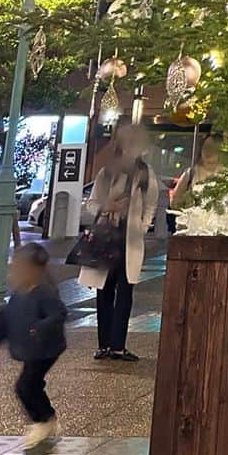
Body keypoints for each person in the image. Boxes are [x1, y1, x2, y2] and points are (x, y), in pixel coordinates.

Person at [0, 242, 67, 450]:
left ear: (34, 270)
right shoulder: (17, 297)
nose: (13, 270)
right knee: (32, 384)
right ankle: (47, 419)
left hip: (46, 349)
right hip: (32, 349)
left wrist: (39, 328)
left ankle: (43, 421)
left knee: (25, 385)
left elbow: (59, 314)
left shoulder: (45, 293)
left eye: (18, 265)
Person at [80, 122, 159, 362]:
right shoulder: (108, 173)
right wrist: (108, 207)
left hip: (130, 240)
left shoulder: (145, 173)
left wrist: (144, 226)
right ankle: (104, 345)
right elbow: (91, 203)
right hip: (107, 237)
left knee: (125, 292)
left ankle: (118, 345)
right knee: (104, 291)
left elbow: (151, 203)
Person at [169, 134, 223, 210]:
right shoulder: (192, 172)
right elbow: (175, 203)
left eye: (212, 148)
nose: (208, 151)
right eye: (206, 147)